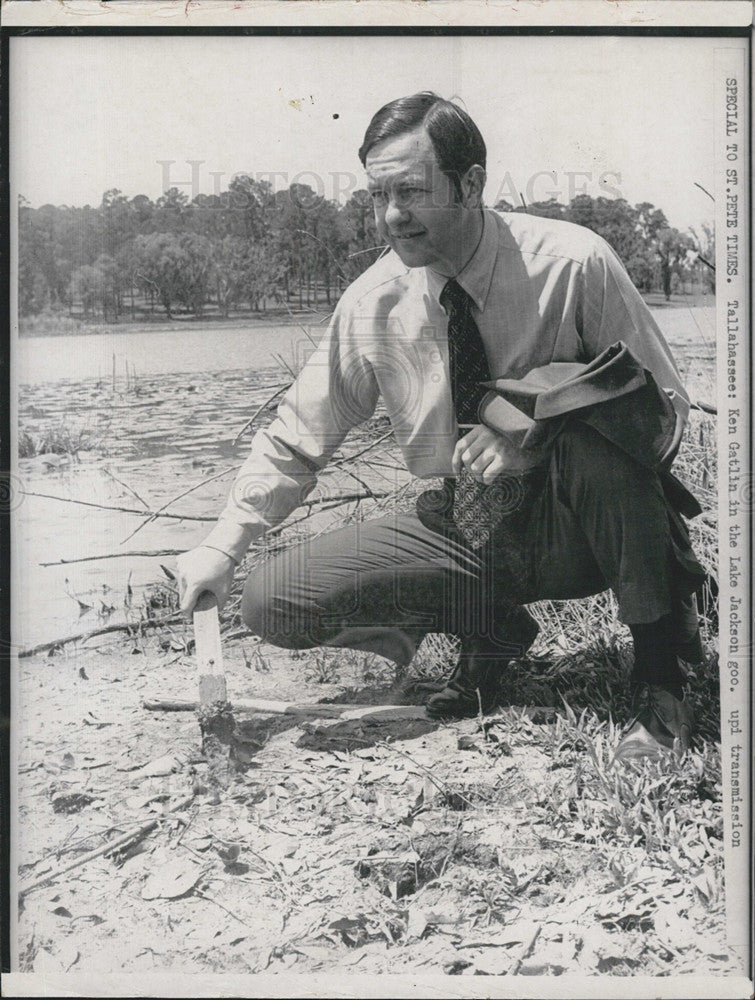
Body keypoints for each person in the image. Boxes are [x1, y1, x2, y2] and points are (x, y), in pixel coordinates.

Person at [176, 92, 706, 761]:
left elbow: (663, 414)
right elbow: (295, 437)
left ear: (471, 184)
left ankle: (661, 676)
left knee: (590, 443)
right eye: (377, 195)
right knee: (272, 600)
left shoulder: (574, 266)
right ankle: (493, 627)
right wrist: (223, 547)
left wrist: (531, 430)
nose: (392, 216)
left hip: (581, 527)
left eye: (412, 192)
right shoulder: (374, 303)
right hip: (465, 526)